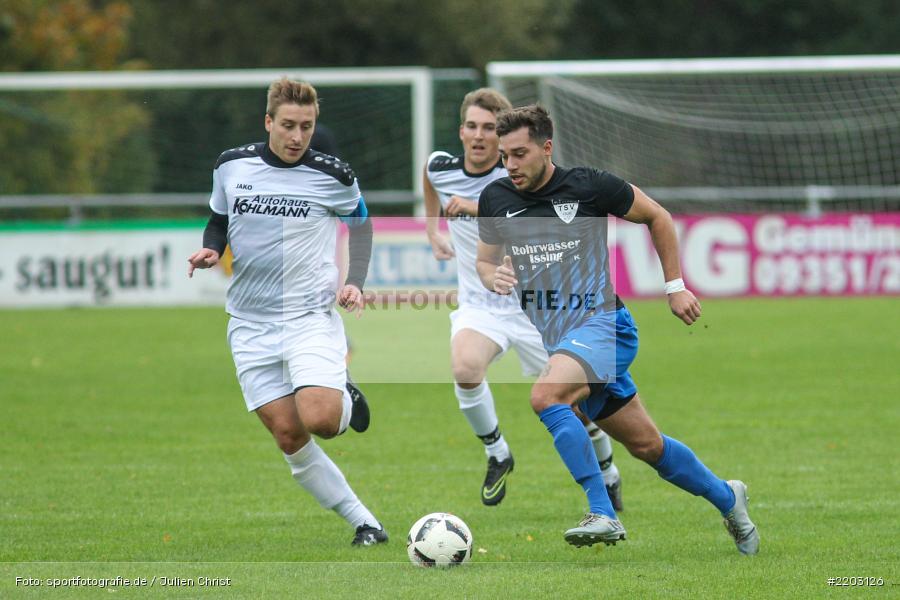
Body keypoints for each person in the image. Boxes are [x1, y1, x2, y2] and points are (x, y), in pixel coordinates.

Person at [476, 104, 759, 554]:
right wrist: (495, 276)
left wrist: (675, 287)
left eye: (519, 154)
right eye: (504, 155)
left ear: (546, 148)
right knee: (647, 447)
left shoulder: (589, 186)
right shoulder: (495, 199)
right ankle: (729, 497)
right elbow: (485, 261)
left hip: (606, 325)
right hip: (565, 343)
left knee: (546, 397)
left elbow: (657, 216)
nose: (510, 164)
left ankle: (602, 511)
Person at [187, 77, 387, 546]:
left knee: (322, 420)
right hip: (249, 324)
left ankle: (342, 392)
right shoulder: (231, 165)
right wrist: (212, 249)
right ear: (268, 122)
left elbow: (361, 225)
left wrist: (355, 281)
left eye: (307, 127)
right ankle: (366, 524)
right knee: (288, 436)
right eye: (289, 126)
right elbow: (219, 219)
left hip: (307, 317)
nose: (298, 137)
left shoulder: (333, 175)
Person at [424, 88, 623, 509]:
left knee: (577, 407)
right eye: (472, 126)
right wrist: (432, 229)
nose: (480, 136)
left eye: (488, 129)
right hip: (481, 303)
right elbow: (430, 180)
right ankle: (497, 452)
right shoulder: (440, 167)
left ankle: (608, 472)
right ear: (461, 131)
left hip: (538, 309)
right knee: (465, 368)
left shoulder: (516, 176)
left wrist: (475, 208)